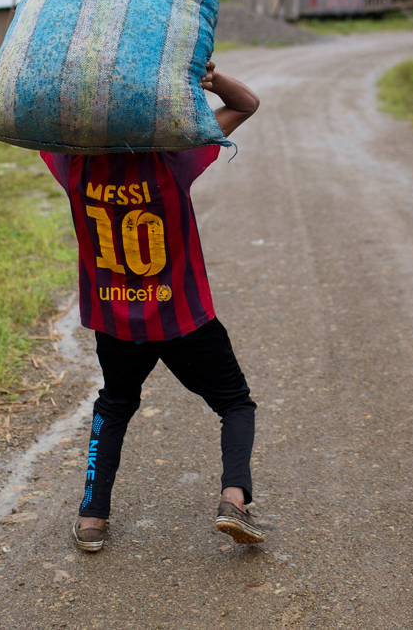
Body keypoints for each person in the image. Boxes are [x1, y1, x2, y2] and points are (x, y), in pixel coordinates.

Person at [37, 61, 262, 552]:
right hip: (182, 316)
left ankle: (92, 519)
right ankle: (233, 501)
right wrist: (210, 77)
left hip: (114, 320)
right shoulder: (173, 160)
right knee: (234, 403)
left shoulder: (74, 167)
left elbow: (35, 123)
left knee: (114, 405)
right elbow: (246, 104)